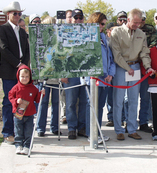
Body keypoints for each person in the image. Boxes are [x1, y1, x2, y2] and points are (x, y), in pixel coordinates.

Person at [110, 8, 154, 141]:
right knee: (118, 100)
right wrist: (126, 67)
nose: (137, 25)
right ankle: (119, 129)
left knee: (134, 100)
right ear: (128, 20)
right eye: (134, 22)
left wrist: (148, 67)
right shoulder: (116, 32)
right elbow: (116, 54)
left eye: (139, 23)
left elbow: (144, 53)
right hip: (121, 67)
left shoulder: (141, 33)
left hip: (135, 67)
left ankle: (132, 129)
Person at [0, 1, 30, 144]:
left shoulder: (22, 31)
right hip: (10, 71)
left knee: (22, 102)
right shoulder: (2, 29)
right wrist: (18, 64)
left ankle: (19, 131)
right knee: (9, 101)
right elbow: (3, 49)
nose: (17, 16)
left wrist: (25, 67)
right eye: (14, 13)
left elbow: (27, 51)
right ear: (8, 14)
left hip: (22, 73)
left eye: (19, 14)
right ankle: (8, 132)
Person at [85, 12, 116, 144]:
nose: (103, 26)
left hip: (105, 80)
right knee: (91, 106)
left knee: (100, 107)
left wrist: (110, 74)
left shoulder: (104, 37)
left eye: (104, 24)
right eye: (101, 24)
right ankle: (90, 134)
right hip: (92, 79)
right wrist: (97, 73)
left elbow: (110, 59)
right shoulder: (87, 38)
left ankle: (97, 132)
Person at [61, 9, 87, 140]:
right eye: (75, 18)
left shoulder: (88, 32)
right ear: (71, 19)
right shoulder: (63, 33)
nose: (77, 20)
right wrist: (62, 73)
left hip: (84, 73)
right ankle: (71, 128)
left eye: (80, 18)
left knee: (84, 102)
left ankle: (81, 127)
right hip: (70, 74)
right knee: (70, 102)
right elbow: (58, 54)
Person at [8, 65, 45, 155]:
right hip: (18, 114)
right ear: (18, 76)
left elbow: (37, 99)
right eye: (22, 77)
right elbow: (10, 96)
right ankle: (18, 145)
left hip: (29, 114)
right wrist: (16, 101)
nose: (24, 79)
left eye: (27, 77)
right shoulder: (16, 88)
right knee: (18, 131)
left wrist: (42, 94)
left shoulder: (33, 88)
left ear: (30, 77)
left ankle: (27, 146)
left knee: (28, 131)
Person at [138, 10, 157, 133]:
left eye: (143, 19)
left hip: (145, 66)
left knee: (145, 97)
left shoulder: (150, 30)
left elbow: (153, 46)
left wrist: (140, 51)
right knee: (128, 98)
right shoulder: (128, 29)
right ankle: (127, 121)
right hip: (132, 66)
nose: (142, 22)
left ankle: (143, 122)